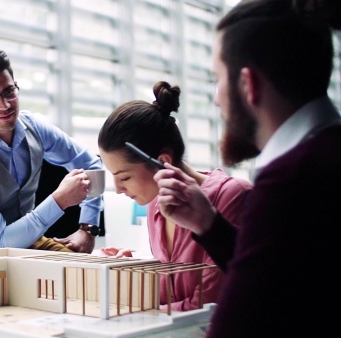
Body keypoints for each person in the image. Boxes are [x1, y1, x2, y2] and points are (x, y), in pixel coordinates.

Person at [153, 0, 341, 336]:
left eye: (217, 78)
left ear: (247, 84)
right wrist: (208, 224)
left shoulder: (291, 181)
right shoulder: (324, 158)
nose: (215, 98)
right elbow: (288, 282)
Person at [97, 81, 252, 312]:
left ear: (163, 163)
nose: (118, 188)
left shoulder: (232, 197)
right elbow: (168, 294)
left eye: (125, 177)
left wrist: (141, 311)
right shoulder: (155, 203)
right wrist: (137, 268)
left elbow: (207, 303)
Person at [0, 49, 103, 254]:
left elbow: (91, 164)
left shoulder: (34, 127)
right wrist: (60, 200)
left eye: (9, 92)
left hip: (30, 242)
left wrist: (87, 228)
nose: (4, 105)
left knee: (85, 275)